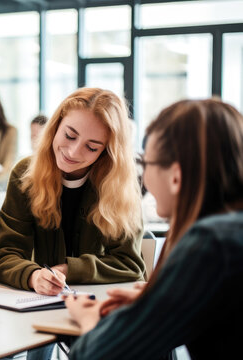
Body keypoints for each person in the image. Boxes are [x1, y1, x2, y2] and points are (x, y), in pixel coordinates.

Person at [65, 98, 243, 360]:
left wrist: (89, 319)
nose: (143, 177)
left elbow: (94, 355)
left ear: (175, 176)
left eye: (147, 163)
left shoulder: (210, 243)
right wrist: (157, 303)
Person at [0, 87, 145, 360]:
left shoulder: (118, 186)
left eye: (92, 147)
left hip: (97, 312)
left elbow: (131, 265)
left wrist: (67, 269)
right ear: (55, 126)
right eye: (69, 135)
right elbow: (4, 254)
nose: (73, 151)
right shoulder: (25, 174)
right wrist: (33, 275)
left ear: (107, 150)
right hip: (39, 304)